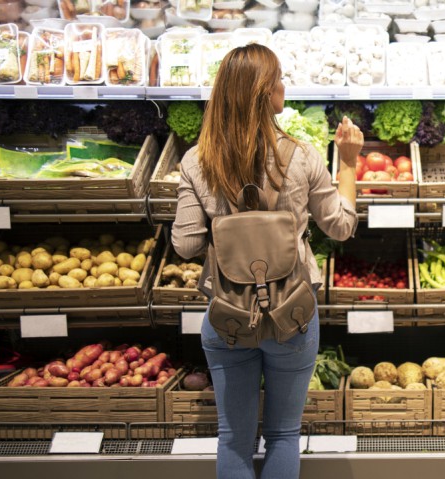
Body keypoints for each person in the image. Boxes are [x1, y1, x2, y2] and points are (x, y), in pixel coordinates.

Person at [171, 44, 363, 479]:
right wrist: (348, 163)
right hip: (291, 313)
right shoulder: (302, 157)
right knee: (282, 434)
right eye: (277, 78)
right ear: (263, 93)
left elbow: (185, 245)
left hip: (227, 315)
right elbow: (339, 226)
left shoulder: (196, 162)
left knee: (233, 438)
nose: (283, 85)